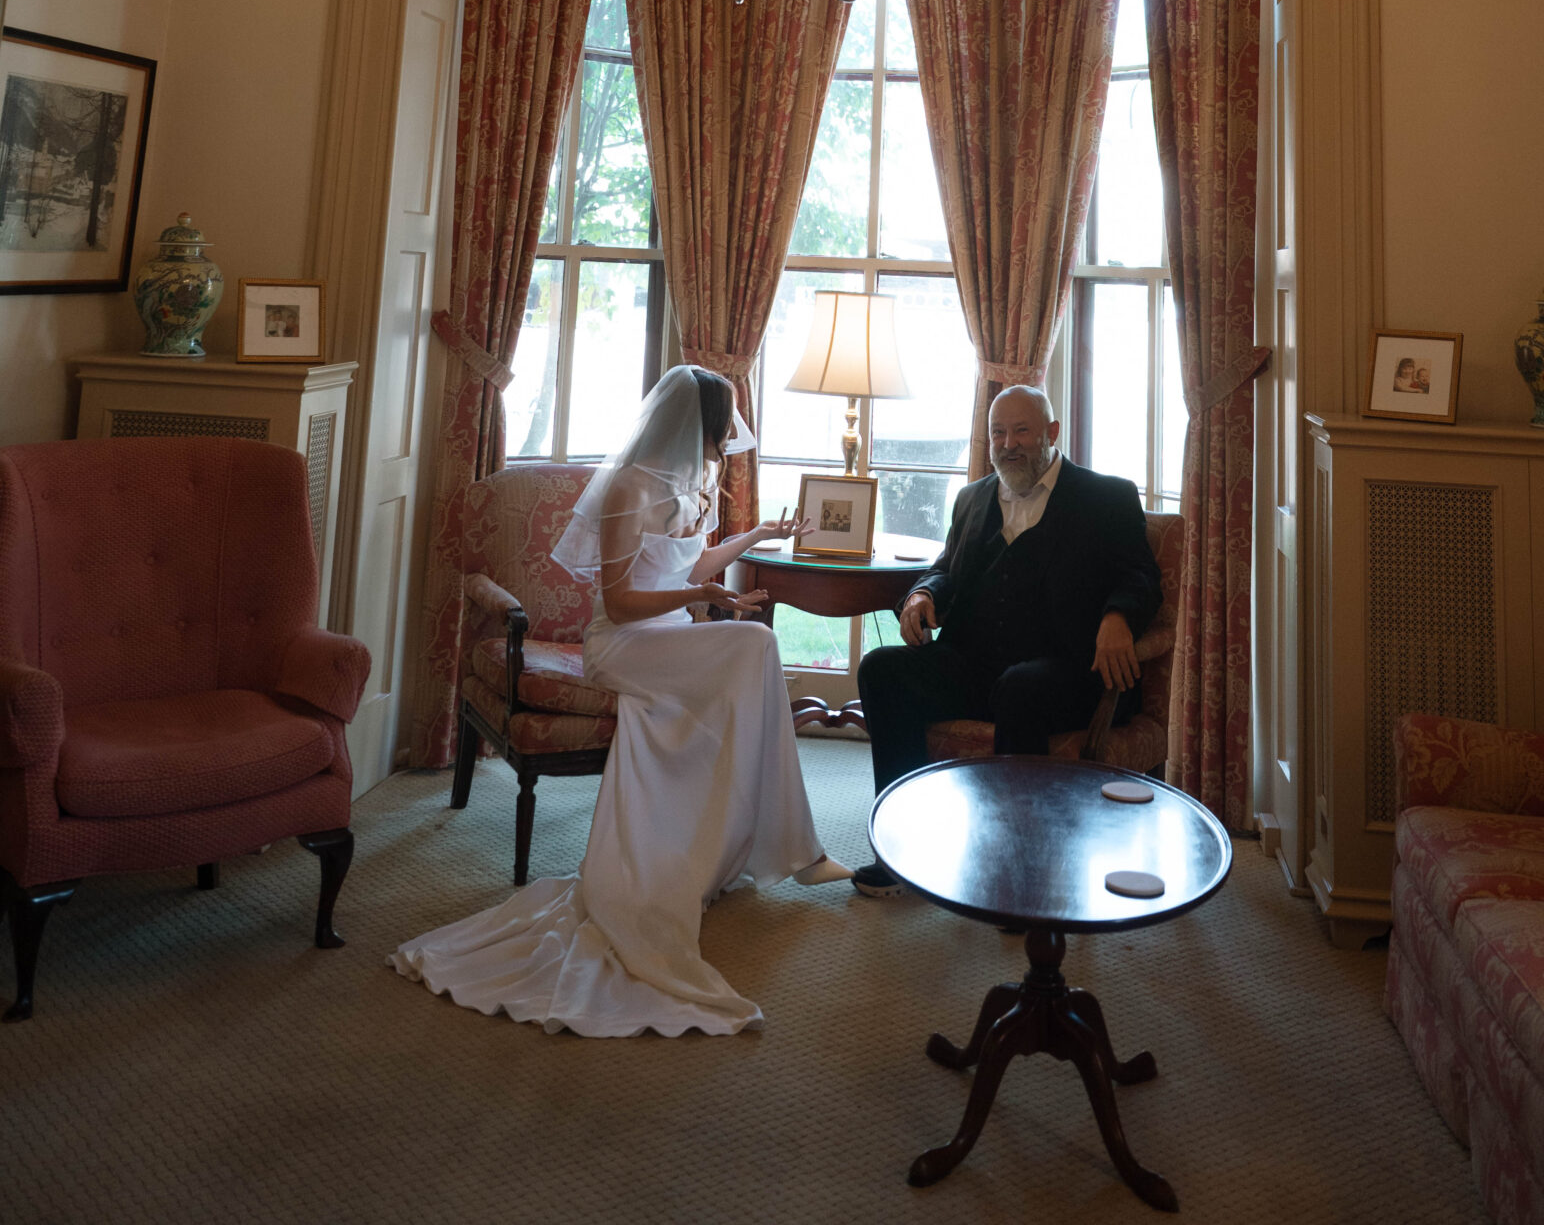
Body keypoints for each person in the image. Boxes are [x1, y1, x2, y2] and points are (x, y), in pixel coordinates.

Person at [392, 364, 849, 1033]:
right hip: (623, 644)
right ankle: (793, 849)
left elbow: (690, 568)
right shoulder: (629, 489)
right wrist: (703, 599)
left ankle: (738, 845)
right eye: (723, 422)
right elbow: (620, 603)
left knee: (748, 661)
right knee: (752, 648)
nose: (730, 434)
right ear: (695, 422)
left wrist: (753, 540)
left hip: (666, 638)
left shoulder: (696, 484)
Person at [850, 382, 1164, 896]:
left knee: (1020, 687)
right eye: (998, 432)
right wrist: (922, 595)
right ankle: (897, 848)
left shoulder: (1107, 496)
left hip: (1068, 669)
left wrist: (1117, 616)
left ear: (1052, 433)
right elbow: (945, 569)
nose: (1008, 444)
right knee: (882, 669)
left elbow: (1140, 577)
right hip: (978, 664)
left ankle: (1020, 868)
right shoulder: (973, 498)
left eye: (1021, 431)